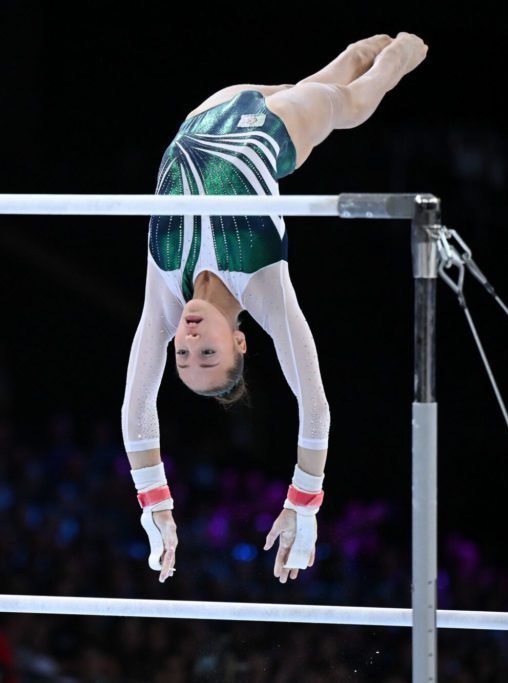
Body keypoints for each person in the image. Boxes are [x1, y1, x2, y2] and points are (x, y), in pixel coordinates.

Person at [121, 32, 429, 583]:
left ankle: (357, 54)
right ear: (240, 341)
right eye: (208, 351)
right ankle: (400, 59)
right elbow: (315, 404)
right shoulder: (262, 282)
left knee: (325, 77)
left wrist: (155, 504)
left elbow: (136, 406)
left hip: (208, 111)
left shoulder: (165, 294)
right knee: (349, 103)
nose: (188, 339)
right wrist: (303, 502)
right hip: (272, 131)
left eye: (184, 355)